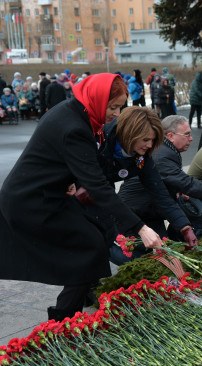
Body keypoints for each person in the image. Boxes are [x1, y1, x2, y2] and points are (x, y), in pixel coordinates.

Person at [0, 74, 165, 322]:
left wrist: (68, 181)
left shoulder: (75, 112)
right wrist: (141, 228)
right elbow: (97, 185)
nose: (117, 114)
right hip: (32, 201)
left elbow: (61, 159)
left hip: (47, 194)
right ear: (96, 98)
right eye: (113, 107)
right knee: (91, 247)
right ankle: (62, 322)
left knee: (94, 240)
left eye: (120, 107)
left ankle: (68, 316)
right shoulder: (76, 127)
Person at [119, 115, 202, 238]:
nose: (192, 138)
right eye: (187, 134)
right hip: (135, 214)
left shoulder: (166, 150)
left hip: (150, 210)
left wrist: (177, 190)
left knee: (167, 248)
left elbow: (173, 180)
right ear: (170, 136)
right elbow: (187, 183)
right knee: (148, 255)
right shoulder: (162, 155)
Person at [95, 107, 198, 265]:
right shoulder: (102, 143)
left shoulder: (142, 155)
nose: (150, 145)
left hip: (142, 210)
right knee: (119, 253)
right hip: (94, 198)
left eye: (153, 140)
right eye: (145, 140)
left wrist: (185, 227)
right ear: (131, 134)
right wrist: (140, 228)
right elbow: (104, 193)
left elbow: (159, 192)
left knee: (160, 250)